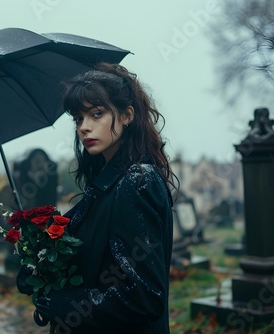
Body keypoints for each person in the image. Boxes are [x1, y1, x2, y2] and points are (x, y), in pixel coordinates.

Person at [17, 63, 177, 333]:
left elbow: (144, 297)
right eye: (78, 118)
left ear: (127, 115)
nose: (84, 127)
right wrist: (37, 262)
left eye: (97, 114)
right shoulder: (106, 185)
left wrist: (65, 304)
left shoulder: (136, 182)